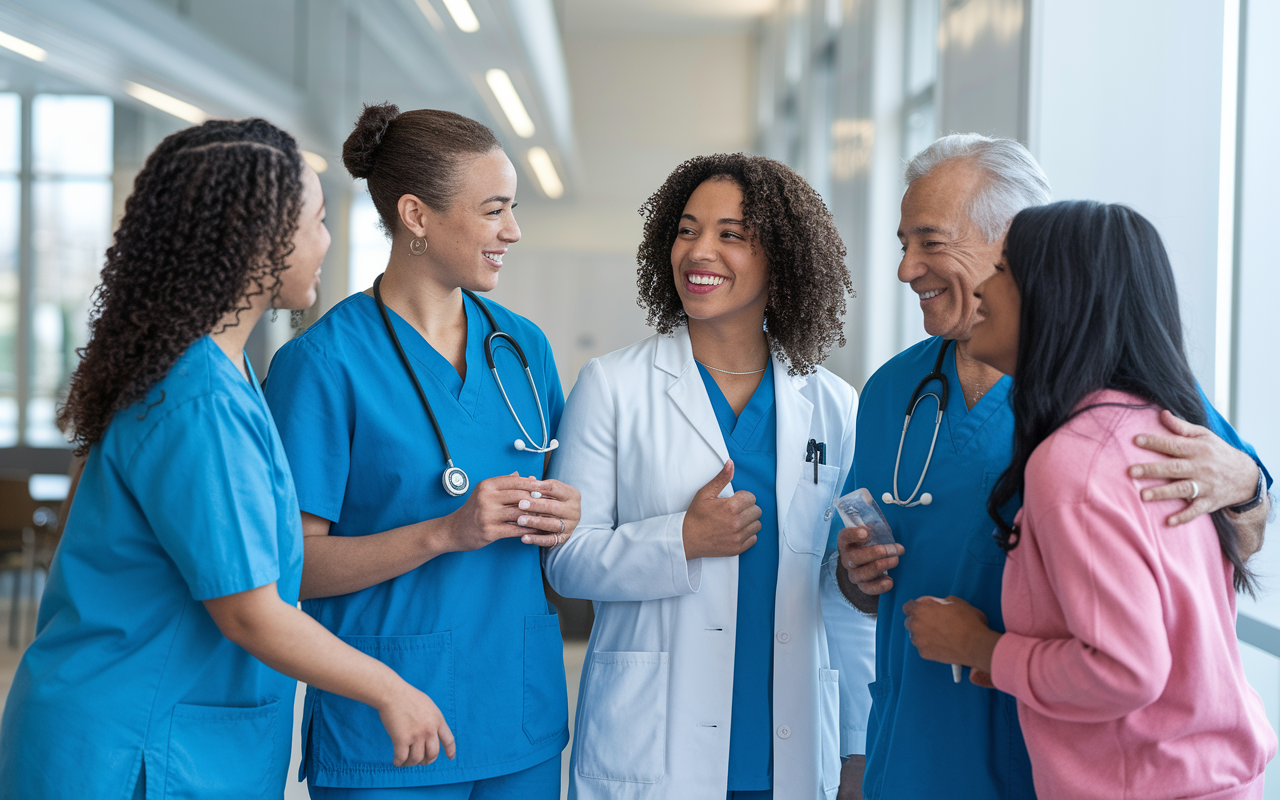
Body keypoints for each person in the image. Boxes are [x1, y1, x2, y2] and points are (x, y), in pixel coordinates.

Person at [0, 118, 453, 800]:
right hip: (130, 748)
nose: (326, 242)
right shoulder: (196, 399)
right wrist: (389, 689)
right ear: (262, 239)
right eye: (319, 222)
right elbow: (250, 612)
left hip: (171, 732)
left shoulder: (215, 374)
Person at [833, 134, 1272, 800]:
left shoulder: (1114, 405)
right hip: (920, 747)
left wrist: (1242, 484)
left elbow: (1228, 535)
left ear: (1014, 245)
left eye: (930, 241)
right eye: (903, 244)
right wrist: (857, 573)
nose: (906, 270)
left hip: (1058, 752)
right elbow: (866, 586)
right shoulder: (892, 391)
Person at [262, 103, 579, 799]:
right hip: (389, 729)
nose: (513, 231)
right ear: (416, 215)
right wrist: (445, 532)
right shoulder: (321, 365)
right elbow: (291, 571)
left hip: (516, 711)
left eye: (513, 209)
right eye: (493, 210)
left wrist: (569, 515)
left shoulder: (522, 349)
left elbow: (566, 517)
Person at [545, 153, 875, 800]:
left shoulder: (834, 404)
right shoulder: (613, 387)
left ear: (781, 257)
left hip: (793, 742)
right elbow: (566, 561)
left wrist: (857, 746)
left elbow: (843, 595)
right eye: (687, 229)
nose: (699, 251)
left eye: (732, 234)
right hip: (654, 746)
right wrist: (682, 539)